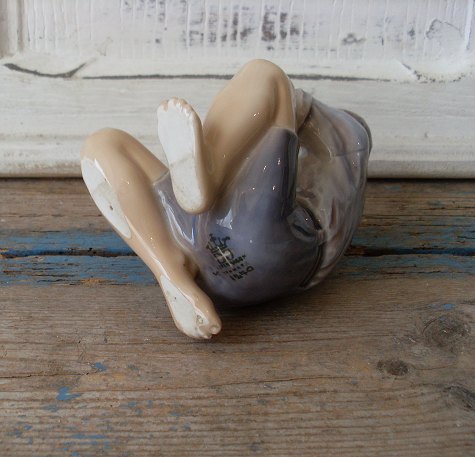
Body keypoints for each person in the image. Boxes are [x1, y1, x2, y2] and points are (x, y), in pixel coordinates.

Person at [81, 59, 371, 339]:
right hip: (220, 251)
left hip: (261, 244)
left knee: (266, 74)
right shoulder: (340, 174)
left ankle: (172, 258)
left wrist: (290, 110)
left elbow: (295, 106)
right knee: (105, 143)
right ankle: (173, 268)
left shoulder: (350, 136)